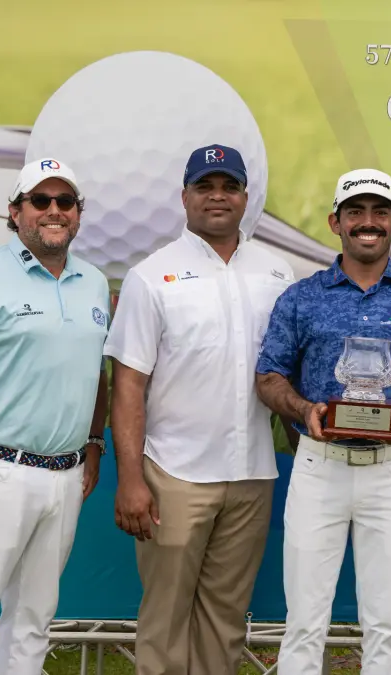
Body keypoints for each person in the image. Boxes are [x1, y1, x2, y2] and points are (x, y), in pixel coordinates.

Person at [254, 168, 391, 674]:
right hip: (319, 466)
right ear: (335, 221)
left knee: (386, 623)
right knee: (304, 621)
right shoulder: (302, 297)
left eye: (379, 213)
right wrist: (304, 410)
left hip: (390, 471)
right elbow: (268, 377)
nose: (367, 222)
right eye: (355, 212)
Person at [103, 144, 295, 675]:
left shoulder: (278, 274)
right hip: (174, 475)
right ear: (184, 197)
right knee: (164, 623)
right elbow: (128, 386)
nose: (217, 196)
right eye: (205, 187)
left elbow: (289, 375)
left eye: (228, 186)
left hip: (253, 474)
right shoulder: (152, 276)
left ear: (245, 197)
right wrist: (131, 480)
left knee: (225, 622)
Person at [0, 157, 110, 675]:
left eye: (65, 201)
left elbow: (96, 371)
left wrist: (95, 443)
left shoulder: (93, 283)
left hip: (66, 477)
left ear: (78, 212)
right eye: (40, 201)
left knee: (33, 622)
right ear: (15, 211)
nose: (54, 211)